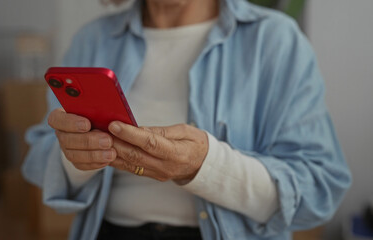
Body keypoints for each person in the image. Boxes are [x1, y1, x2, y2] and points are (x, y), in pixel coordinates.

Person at [22, 0, 352, 239]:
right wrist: (74, 156)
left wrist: (206, 167)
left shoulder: (276, 40)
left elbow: (320, 188)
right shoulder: (92, 39)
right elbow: (38, 156)